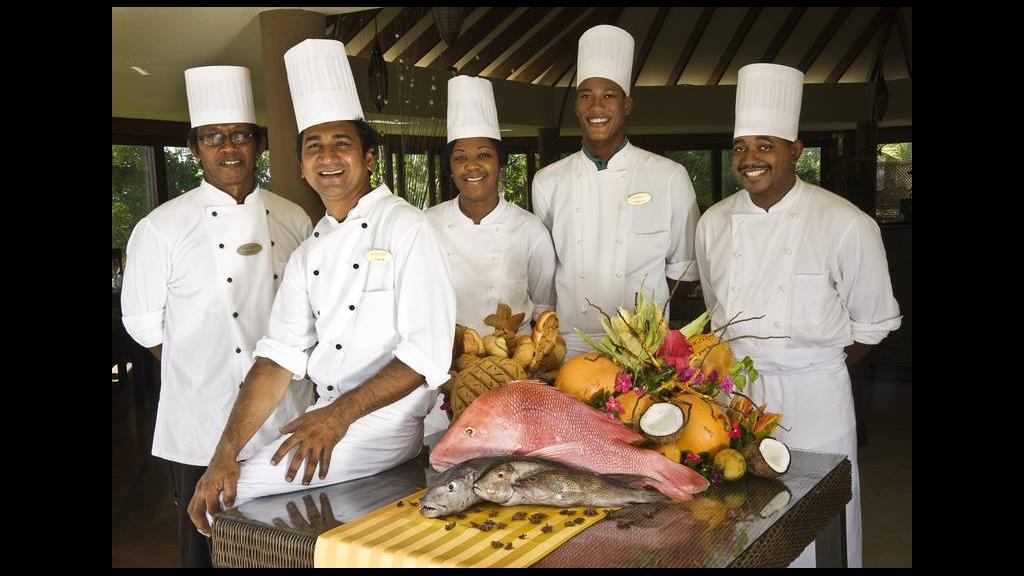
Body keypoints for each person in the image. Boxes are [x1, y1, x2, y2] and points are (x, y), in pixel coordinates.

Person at [187, 39, 456, 537]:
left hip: (386, 422)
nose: (328, 157)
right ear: (301, 167)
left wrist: (336, 418)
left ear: (369, 158)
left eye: (342, 144)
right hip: (325, 412)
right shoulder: (309, 250)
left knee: (229, 496)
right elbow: (277, 357)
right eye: (314, 147)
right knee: (221, 477)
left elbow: (427, 354)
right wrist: (223, 453)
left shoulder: (408, 228)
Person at [694, 63, 902, 568]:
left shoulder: (845, 224)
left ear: (794, 151)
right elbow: (714, 310)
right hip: (736, 398)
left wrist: (809, 366)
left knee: (820, 522)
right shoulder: (713, 223)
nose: (749, 159)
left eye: (765, 145)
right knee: (738, 521)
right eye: (741, 147)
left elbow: (873, 323)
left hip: (815, 398)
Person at [120, 65, 314, 567]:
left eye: (240, 136)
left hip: (286, 414)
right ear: (195, 148)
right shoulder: (161, 227)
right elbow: (142, 323)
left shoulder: (293, 218)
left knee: (288, 541)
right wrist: (201, 372)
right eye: (213, 138)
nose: (228, 148)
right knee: (206, 546)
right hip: (203, 422)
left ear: (260, 143)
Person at [532, 24, 701, 359]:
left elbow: (685, 269)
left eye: (609, 96)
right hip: (569, 346)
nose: (597, 107)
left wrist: (647, 318)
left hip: (642, 347)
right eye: (586, 96)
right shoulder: (547, 181)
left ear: (627, 105)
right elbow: (545, 269)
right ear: (577, 108)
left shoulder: (668, 177)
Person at [422, 76, 556, 435]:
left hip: (511, 376)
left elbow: (544, 307)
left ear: (500, 163)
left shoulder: (530, 230)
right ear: (450, 167)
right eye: (461, 157)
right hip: (443, 378)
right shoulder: (426, 225)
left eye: (483, 155)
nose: (472, 166)